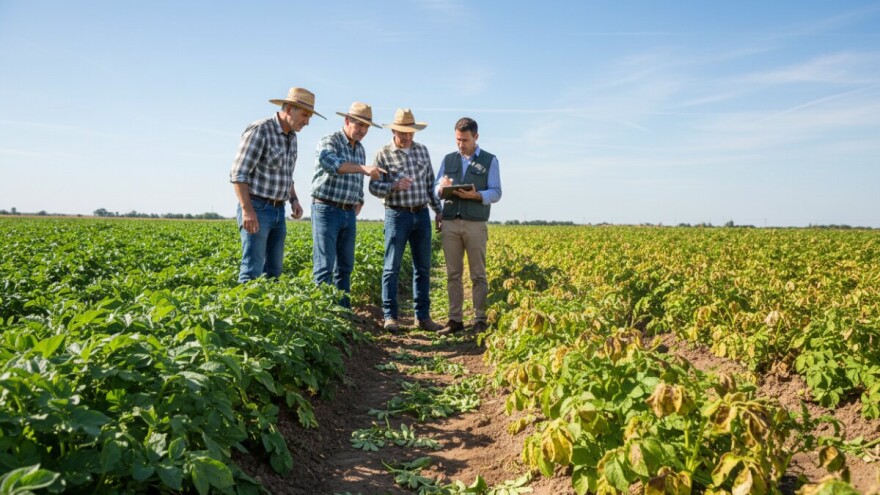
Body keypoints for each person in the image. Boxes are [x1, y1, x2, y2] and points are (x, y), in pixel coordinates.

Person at [230, 87, 325, 283]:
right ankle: (246, 312)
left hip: (278, 211)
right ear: (289, 109)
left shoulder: (292, 137)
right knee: (252, 271)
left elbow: (286, 174)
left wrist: (294, 199)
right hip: (257, 207)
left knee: (274, 271)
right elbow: (238, 173)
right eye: (304, 115)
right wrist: (247, 211)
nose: (306, 122)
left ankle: (266, 313)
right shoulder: (261, 130)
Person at [369, 109, 443, 332]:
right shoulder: (383, 154)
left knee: (423, 267)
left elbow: (431, 184)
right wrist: (393, 185)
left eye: (410, 133)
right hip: (396, 214)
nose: (407, 137)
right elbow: (373, 187)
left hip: (421, 214)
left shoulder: (422, 151)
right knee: (392, 267)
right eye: (403, 133)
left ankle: (422, 317)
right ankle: (390, 317)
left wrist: (438, 211)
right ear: (394, 130)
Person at [310, 102, 385, 308]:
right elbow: (332, 165)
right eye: (359, 124)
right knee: (324, 266)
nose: (362, 131)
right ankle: (323, 314)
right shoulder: (330, 141)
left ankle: (343, 312)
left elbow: (357, 179)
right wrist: (363, 168)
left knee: (345, 266)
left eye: (366, 127)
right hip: (326, 209)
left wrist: (359, 198)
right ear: (347, 120)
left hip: (348, 212)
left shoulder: (359, 149)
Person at [434, 117, 502, 334]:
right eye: (457, 140)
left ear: (476, 137)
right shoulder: (448, 159)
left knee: (478, 274)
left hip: (475, 223)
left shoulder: (490, 160)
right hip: (451, 222)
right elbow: (436, 187)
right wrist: (441, 188)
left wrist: (476, 195)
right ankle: (455, 320)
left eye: (465, 140)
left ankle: (480, 319)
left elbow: (496, 192)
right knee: (453, 273)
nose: (461, 144)